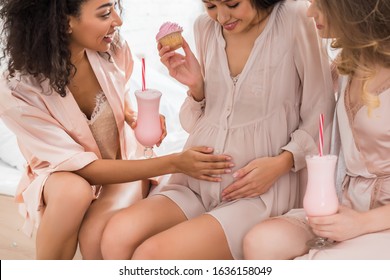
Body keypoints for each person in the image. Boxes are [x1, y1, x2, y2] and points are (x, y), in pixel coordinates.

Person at [100, 0, 335, 260]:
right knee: (116, 236)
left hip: (257, 192)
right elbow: (199, 122)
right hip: (196, 181)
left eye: (232, 4)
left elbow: (321, 109)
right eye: (210, 6)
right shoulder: (205, 27)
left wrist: (283, 162)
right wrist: (196, 87)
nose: (222, 17)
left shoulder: (294, 18)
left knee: (151, 256)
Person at [0, 0, 234, 260]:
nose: (118, 21)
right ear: (65, 23)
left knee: (96, 233)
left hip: (120, 160)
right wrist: (175, 163)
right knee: (72, 193)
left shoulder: (111, 49)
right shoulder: (18, 91)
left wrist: (135, 117)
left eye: (114, 8)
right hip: (62, 175)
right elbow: (82, 168)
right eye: (104, 14)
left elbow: (120, 101)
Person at [243, 0, 390, 260]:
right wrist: (198, 87)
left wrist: (362, 223)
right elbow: (289, 96)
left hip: (380, 217)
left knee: (323, 264)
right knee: (260, 242)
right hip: (344, 203)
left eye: (319, 4)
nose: (309, 12)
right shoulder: (350, 60)